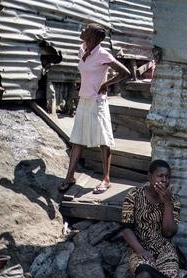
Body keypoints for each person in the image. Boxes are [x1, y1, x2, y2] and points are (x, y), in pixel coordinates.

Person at [58, 23, 130, 194]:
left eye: (86, 30)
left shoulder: (102, 54)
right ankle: (70, 177)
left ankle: (106, 179)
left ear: (95, 38)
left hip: (97, 102)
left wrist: (106, 84)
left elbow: (125, 73)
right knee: (77, 139)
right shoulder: (82, 49)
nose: (82, 30)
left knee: (103, 141)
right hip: (84, 100)